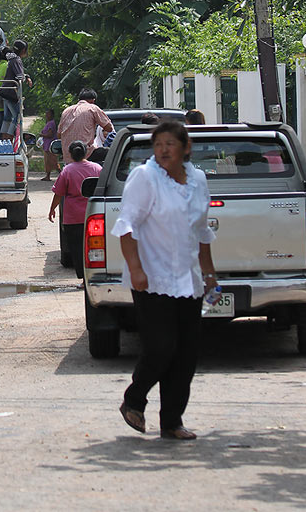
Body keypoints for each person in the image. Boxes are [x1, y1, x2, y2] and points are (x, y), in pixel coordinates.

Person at [112, 120, 216, 441]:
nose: (163, 150)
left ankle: (172, 421)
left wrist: (210, 273)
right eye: (158, 145)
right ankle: (134, 398)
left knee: (186, 354)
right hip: (152, 278)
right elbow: (127, 226)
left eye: (170, 144)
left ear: (186, 148)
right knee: (161, 347)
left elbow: (201, 231)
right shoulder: (145, 178)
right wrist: (136, 268)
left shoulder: (197, 180)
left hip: (188, 280)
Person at [48, 140, 102, 281]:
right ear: (86, 152)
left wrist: (52, 209)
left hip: (73, 218)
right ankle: (93, 277)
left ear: (71, 154)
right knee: (94, 247)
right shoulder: (97, 168)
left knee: (77, 249)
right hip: (93, 215)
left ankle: (84, 278)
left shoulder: (67, 170)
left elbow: (58, 193)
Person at [57, 88, 113, 165]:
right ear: (93, 100)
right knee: (112, 153)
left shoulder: (66, 111)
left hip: (68, 156)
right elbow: (109, 128)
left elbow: (59, 135)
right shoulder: (92, 108)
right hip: (86, 154)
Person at [0, 40, 32, 143]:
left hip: (5, 91)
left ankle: (4, 142)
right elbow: (19, 76)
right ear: (23, 50)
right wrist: (25, 77)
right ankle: (9, 140)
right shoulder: (16, 60)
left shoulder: (10, 57)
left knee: (7, 118)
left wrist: (26, 76)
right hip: (12, 92)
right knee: (17, 117)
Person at [40, 109, 59, 181]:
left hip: (50, 145)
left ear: (52, 115)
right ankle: (47, 176)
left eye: (48, 114)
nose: (47, 115)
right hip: (46, 145)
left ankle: (62, 173)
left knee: (53, 161)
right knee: (47, 161)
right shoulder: (48, 123)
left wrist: (42, 135)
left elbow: (50, 134)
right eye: (46, 114)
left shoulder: (51, 123)